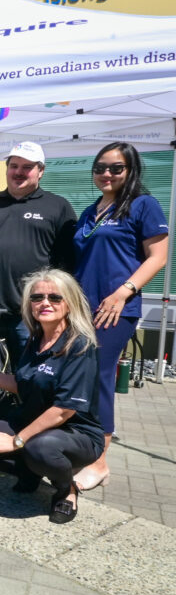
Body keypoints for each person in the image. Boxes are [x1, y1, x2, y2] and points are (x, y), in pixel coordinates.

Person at [0, 270, 104, 524]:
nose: (45, 303)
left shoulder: (80, 346)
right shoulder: (35, 339)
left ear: (69, 303)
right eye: (38, 298)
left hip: (76, 432)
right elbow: (22, 385)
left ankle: (67, 489)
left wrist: (17, 441)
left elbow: (64, 410)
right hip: (31, 421)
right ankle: (31, 471)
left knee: (39, 448)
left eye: (55, 297)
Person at [71, 142, 169, 492]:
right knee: (77, 378)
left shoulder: (143, 205)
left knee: (99, 378)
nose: (107, 174)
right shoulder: (89, 211)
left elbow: (157, 257)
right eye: (100, 167)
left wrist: (124, 291)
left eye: (116, 168)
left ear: (131, 170)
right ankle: (78, 445)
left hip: (115, 310)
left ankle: (99, 462)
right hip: (81, 310)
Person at [0, 141, 77, 363]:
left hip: (33, 314)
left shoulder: (58, 207)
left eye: (27, 167)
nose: (19, 172)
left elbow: (68, 265)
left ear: (41, 171)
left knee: (31, 375)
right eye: (14, 166)